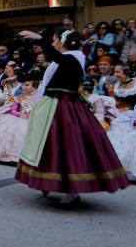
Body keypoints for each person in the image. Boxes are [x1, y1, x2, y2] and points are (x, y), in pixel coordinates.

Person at [15, 30, 129, 205]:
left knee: (68, 147)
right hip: (53, 107)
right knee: (46, 145)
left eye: (54, 41)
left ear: (62, 43)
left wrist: (40, 39)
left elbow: (56, 57)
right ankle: (45, 181)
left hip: (65, 108)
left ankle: (72, 190)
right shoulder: (66, 60)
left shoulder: (72, 59)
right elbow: (45, 73)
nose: (53, 44)